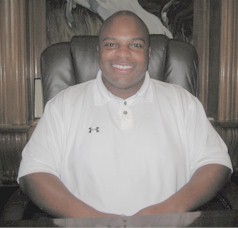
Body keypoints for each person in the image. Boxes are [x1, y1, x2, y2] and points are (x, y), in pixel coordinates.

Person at [17, 10, 232, 218]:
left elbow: (215, 162)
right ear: (98, 51)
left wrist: (168, 211)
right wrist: (91, 220)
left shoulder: (183, 103)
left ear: (148, 54)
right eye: (111, 44)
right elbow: (34, 171)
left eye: (135, 45)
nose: (123, 54)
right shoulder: (62, 106)